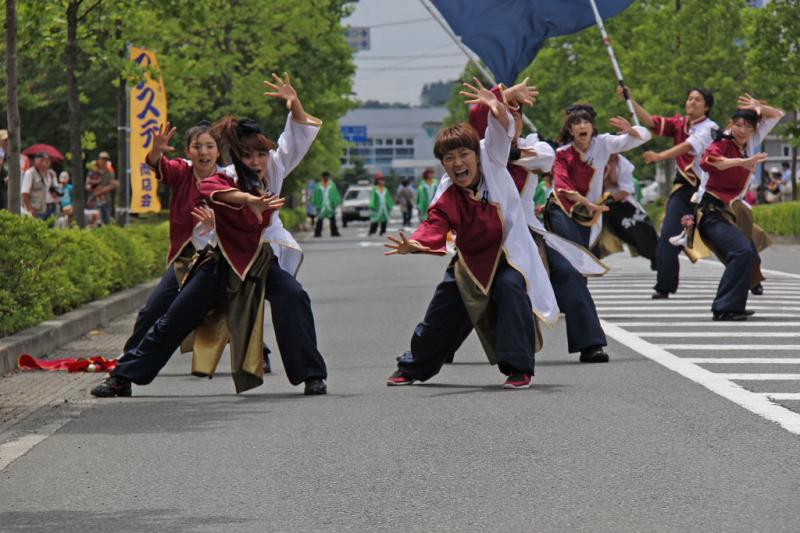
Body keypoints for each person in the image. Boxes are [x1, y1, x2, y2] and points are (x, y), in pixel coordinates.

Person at [384, 78, 558, 389]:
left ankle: (518, 368)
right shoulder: (448, 192)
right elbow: (434, 222)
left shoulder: (493, 158)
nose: (457, 163)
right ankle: (414, 366)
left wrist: (499, 98)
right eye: (448, 159)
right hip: (472, 262)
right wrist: (416, 243)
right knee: (442, 311)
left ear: (476, 154)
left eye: (463, 154)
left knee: (509, 289)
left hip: (510, 256)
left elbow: (492, 126)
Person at [197, 72, 328, 395]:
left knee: (292, 296)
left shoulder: (276, 165)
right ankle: (126, 372)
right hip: (226, 255)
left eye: (260, 154)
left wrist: (294, 103)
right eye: (247, 155)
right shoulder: (225, 176)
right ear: (234, 158)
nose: (256, 162)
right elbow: (207, 190)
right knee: (174, 311)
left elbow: (296, 135)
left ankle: (311, 373)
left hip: (265, 253)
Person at [464, 81, 610, 363]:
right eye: (502, 116)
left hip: (528, 229)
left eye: (514, 116)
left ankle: (590, 343)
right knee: (463, 288)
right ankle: (432, 350)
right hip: (488, 231)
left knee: (567, 273)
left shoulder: (536, 146)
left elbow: (543, 160)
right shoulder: (482, 148)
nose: (509, 120)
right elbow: (475, 123)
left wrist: (508, 148)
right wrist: (500, 97)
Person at [620, 85, 718, 299]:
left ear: (707, 106)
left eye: (697, 100)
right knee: (668, 236)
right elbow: (651, 123)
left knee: (723, 239)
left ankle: (750, 276)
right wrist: (631, 99)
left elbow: (686, 147)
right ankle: (664, 286)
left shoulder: (710, 128)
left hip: (710, 192)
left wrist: (659, 156)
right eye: (690, 99)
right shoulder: (679, 123)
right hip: (684, 190)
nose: (691, 102)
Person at [694, 95, 784, 321]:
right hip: (711, 213)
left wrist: (759, 106)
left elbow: (778, 114)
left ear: (754, 130)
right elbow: (714, 162)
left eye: (747, 126)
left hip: (732, 213)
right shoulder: (721, 143)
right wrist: (743, 163)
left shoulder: (751, 144)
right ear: (731, 125)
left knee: (748, 253)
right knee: (742, 251)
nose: (742, 130)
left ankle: (734, 303)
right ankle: (724, 307)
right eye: (738, 124)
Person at [545, 104, 651, 250]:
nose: (582, 126)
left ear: (592, 127)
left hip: (590, 210)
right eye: (577, 123)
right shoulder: (563, 153)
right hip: (563, 205)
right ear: (570, 130)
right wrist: (585, 202)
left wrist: (631, 131)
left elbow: (645, 135)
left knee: (582, 255)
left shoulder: (604, 143)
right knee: (571, 251)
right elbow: (561, 184)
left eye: (586, 122)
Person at [594, 153, 659, 270]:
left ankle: (656, 257)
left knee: (640, 229)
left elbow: (625, 190)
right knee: (590, 233)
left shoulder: (622, 163)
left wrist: (612, 165)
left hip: (619, 202)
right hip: (592, 202)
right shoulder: (590, 156)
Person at [21, 152, 59, 220]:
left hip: (51, 206)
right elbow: (25, 193)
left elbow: (56, 189)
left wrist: (56, 193)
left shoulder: (52, 173)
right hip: (37, 209)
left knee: (51, 229)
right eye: (41, 161)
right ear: (35, 161)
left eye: (47, 161)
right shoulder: (30, 173)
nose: (44, 163)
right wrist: (30, 209)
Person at [312, 171, 341, 237]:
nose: (326, 178)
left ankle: (334, 232)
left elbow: (335, 194)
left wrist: (335, 203)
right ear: (322, 177)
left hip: (330, 205)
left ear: (329, 177)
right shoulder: (318, 185)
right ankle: (317, 233)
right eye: (325, 176)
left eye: (327, 176)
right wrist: (316, 204)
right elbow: (315, 195)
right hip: (321, 205)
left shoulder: (332, 185)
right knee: (319, 220)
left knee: (332, 219)